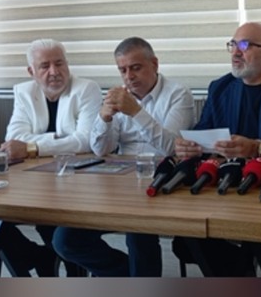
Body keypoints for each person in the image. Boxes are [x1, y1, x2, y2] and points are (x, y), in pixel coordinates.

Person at [173, 22, 261, 276]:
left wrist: (256, 148)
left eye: (244, 45)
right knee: (190, 234)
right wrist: (189, 145)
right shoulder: (220, 87)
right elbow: (204, 130)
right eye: (232, 45)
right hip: (226, 185)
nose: (235, 52)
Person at [52, 36, 196, 277]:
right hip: (119, 182)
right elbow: (101, 150)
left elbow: (172, 148)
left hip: (160, 179)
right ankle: (128, 276)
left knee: (139, 232)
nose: (129, 76)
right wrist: (104, 118)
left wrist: (136, 112)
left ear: (154, 64)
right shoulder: (120, 95)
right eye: (123, 70)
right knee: (65, 240)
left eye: (136, 68)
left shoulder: (179, 94)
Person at [0, 39, 102, 276]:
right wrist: (62, 138)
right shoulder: (24, 91)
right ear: (31, 71)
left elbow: (85, 141)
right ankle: (38, 256)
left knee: (55, 228)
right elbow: (13, 138)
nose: (54, 71)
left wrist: (32, 147)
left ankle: (61, 265)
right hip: (32, 181)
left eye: (59, 63)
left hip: (77, 181)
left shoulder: (86, 89)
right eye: (45, 66)